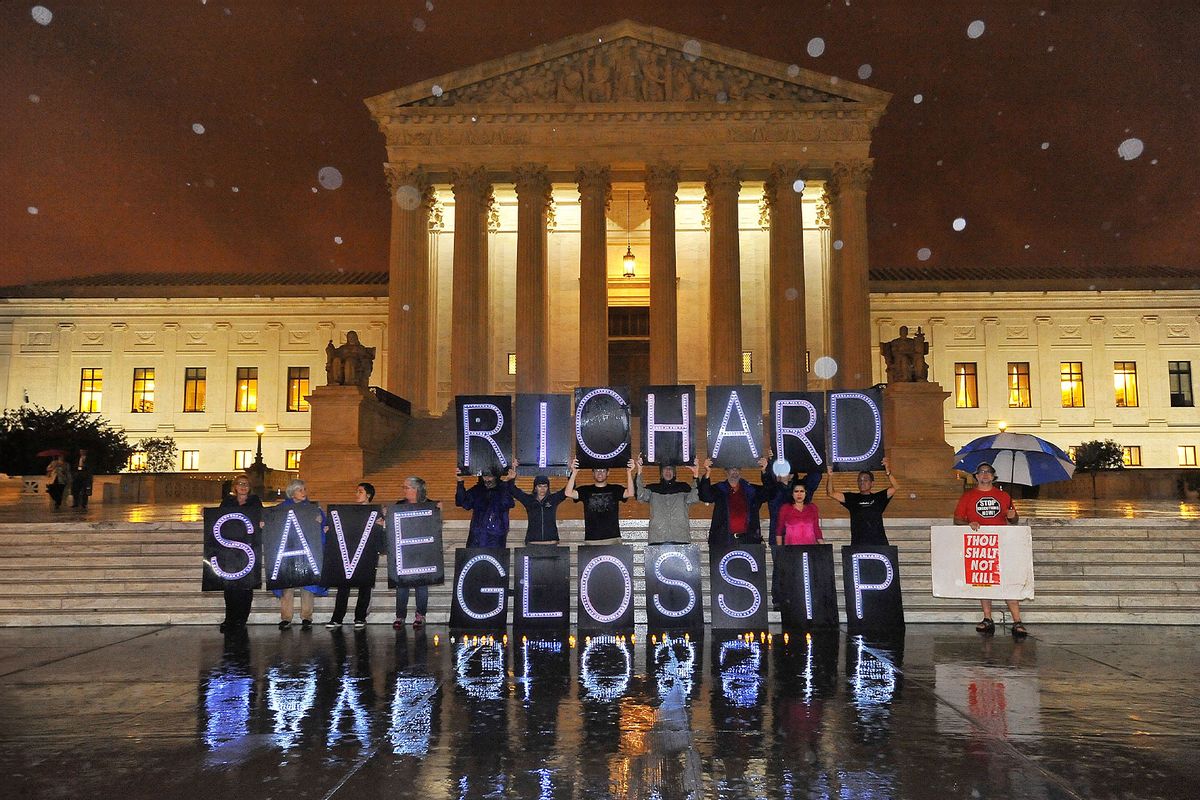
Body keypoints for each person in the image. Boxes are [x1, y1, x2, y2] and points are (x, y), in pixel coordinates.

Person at [953, 461, 1026, 639]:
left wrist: (1013, 516)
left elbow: (1013, 520)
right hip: (980, 544)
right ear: (976, 476)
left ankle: (1017, 621)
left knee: (1008, 580)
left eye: (988, 472)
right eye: (981, 472)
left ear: (993, 477)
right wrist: (969, 523)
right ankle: (987, 618)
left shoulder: (1004, 496)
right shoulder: (967, 496)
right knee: (984, 579)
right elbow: (957, 519)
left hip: (1002, 543)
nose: (985, 475)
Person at [762, 452, 822, 608]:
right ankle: (779, 601)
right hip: (778, 537)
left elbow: (815, 475)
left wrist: (813, 454)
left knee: (802, 569)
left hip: (801, 537)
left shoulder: (799, 490)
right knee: (780, 570)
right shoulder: (773, 490)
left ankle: (801, 597)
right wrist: (770, 460)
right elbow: (767, 479)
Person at [326, 482, 382, 631]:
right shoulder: (348, 513)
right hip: (349, 554)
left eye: (360, 491)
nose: (356, 494)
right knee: (343, 587)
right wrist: (329, 529)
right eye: (356, 491)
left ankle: (360, 617)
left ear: (368, 495)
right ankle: (337, 618)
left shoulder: (376, 513)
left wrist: (381, 525)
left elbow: (379, 535)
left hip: (366, 554)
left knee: (364, 586)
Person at [274, 478, 327, 631]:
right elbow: (271, 521)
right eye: (300, 490)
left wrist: (321, 522)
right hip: (288, 550)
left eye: (304, 489)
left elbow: (325, 524)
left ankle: (306, 616)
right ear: (292, 493)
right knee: (287, 585)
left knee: (307, 584)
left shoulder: (313, 509)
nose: (304, 492)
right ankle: (286, 617)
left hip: (307, 550)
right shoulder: (280, 509)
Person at [393, 476, 439, 629]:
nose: (404, 490)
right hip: (404, 551)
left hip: (422, 551)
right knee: (402, 586)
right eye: (404, 487)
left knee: (421, 585)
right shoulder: (398, 505)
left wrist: (438, 512)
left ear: (416, 489)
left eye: (406, 487)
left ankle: (420, 614)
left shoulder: (430, 505)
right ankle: (400, 615)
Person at [218, 475, 261, 632]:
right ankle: (230, 618)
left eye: (246, 484)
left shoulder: (254, 501)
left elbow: (260, 517)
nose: (243, 486)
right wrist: (207, 513)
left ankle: (241, 619)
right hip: (229, 549)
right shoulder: (228, 502)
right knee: (229, 586)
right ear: (235, 486)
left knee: (245, 586)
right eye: (240, 484)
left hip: (248, 549)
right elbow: (218, 518)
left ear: (250, 488)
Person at [825, 457, 900, 547]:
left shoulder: (879, 497)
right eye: (860, 480)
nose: (862, 483)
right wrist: (830, 476)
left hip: (879, 543)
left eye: (865, 480)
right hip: (859, 543)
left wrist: (888, 472)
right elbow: (831, 493)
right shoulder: (852, 498)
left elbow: (896, 487)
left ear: (872, 483)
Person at [698, 456, 769, 548]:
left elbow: (768, 494)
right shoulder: (719, 489)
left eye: (737, 469)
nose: (735, 472)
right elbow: (705, 496)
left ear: (740, 471)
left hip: (748, 540)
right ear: (726, 472)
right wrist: (707, 472)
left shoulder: (751, 490)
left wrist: (764, 471)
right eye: (732, 469)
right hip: (723, 540)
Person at [565, 457, 635, 543]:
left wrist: (629, 472)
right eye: (597, 470)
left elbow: (630, 493)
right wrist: (574, 472)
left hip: (612, 538)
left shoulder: (615, 489)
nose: (600, 473)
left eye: (603, 470)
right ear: (593, 473)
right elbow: (568, 493)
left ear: (608, 473)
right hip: (591, 539)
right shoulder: (585, 490)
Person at [633, 456, 700, 544]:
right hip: (657, 538)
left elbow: (695, 497)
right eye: (665, 469)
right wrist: (639, 471)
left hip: (681, 538)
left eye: (670, 469)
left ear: (674, 473)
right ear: (661, 473)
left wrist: (696, 475)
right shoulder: (652, 489)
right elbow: (639, 494)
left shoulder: (683, 487)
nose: (668, 471)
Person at [455, 465, 515, 548]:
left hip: (496, 538)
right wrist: (460, 482)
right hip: (476, 538)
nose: (487, 479)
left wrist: (506, 482)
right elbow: (461, 502)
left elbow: (506, 503)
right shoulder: (477, 490)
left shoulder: (503, 490)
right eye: (484, 476)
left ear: (496, 476)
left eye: (490, 476)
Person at [508, 463, 567, 545]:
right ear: (535, 487)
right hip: (532, 541)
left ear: (548, 487)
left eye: (545, 486)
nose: (542, 489)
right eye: (540, 486)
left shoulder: (553, 499)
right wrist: (513, 474)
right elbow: (512, 490)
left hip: (551, 541)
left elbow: (568, 490)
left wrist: (571, 473)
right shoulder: (528, 500)